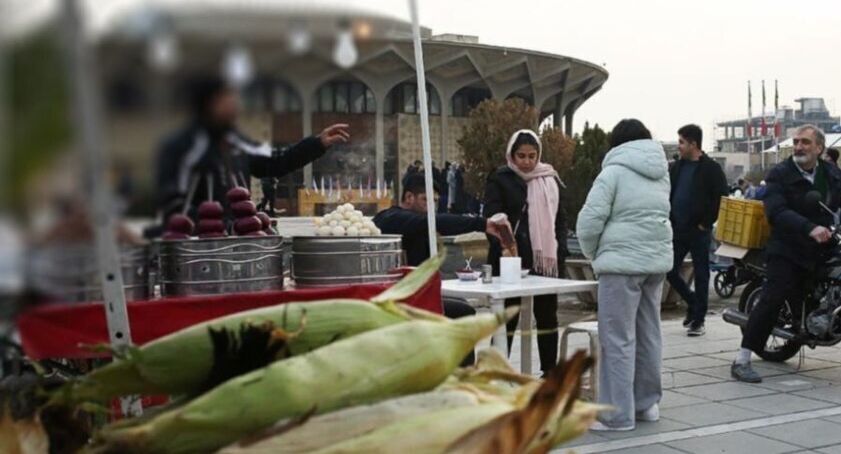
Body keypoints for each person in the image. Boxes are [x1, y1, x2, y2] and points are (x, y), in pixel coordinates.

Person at [730, 125, 841, 383]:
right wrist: (809, 228)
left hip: (824, 244)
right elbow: (775, 211)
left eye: (805, 142)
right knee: (773, 296)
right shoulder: (780, 173)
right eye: (796, 142)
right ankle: (742, 358)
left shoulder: (831, 173)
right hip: (788, 246)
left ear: (819, 148)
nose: (798, 147)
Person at [576, 119, 672, 431]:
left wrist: (593, 254)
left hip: (620, 265)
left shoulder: (613, 172)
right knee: (649, 333)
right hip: (655, 264)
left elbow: (589, 222)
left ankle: (616, 414)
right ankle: (647, 405)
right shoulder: (661, 174)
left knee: (616, 338)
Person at [155, 76, 349, 219]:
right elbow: (174, 205)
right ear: (209, 103)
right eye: (227, 98)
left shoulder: (235, 141)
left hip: (238, 242)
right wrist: (212, 224)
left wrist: (317, 143)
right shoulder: (183, 147)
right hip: (198, 249)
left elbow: (276, 161)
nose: (235, 105)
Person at [374, 173, 505, 364]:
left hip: (418, 294)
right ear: (409, 197)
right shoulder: (392, 218)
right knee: (462, 312)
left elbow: (441, 224)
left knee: (463, 309)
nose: (432, 205)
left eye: (435, 201)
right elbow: (436, 222)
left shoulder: (419, 224)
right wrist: (482, 224)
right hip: (397, 301)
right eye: (426, 199)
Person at [484, 130, 569, 376]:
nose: (527, 162)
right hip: (509, 257)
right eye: (521, 156)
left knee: (546, 316)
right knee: (507, 317)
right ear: (511, 154)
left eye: (532, 156)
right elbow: (491, 215)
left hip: (545, 258)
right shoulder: (500, 178)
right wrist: (504, 241)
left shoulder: (549, 177)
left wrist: (560, 250)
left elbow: (560, 219)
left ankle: (549, 371)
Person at [667, 124, 727, 337]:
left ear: (694, 144)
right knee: (669, 270)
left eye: (682, 142)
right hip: (677, 229)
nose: (679, 146)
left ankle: (698, 320)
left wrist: (705, 222)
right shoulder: (676, 168)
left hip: (699, 230)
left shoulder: (711, 169)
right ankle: (693, 302)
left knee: (702, 274)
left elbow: (722, 198)